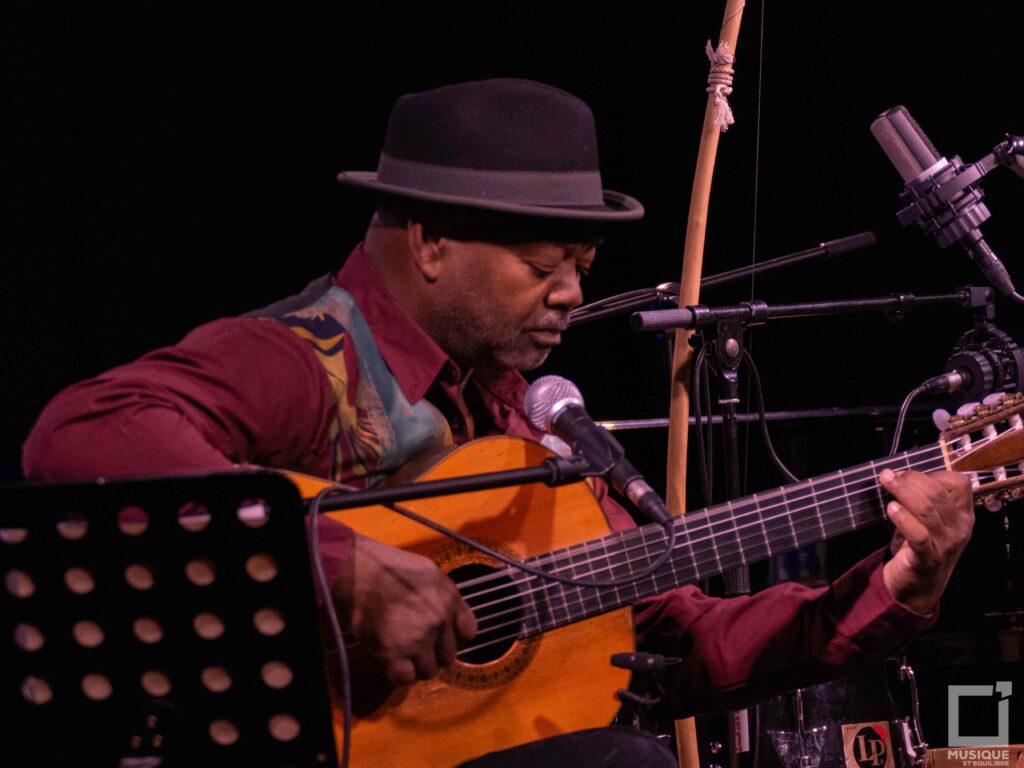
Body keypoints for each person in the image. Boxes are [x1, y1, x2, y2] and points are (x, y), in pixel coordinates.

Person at [23, 78, 974, 767]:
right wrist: (343, 569)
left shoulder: (524, 422)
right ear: (431, 241)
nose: (569, 295)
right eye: (542, 263)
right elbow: (85, 433)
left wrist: (896, 580)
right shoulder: (305, 363)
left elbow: (674, 645)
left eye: (583, 268)